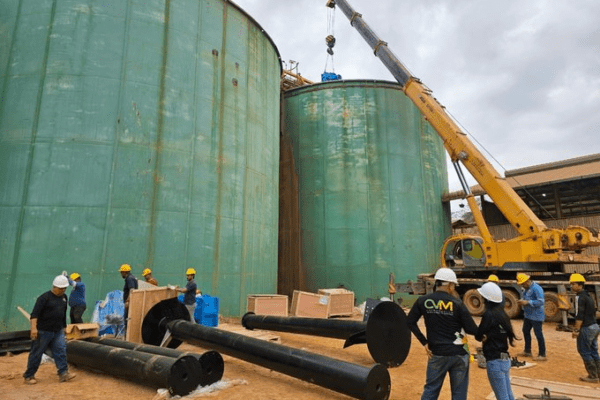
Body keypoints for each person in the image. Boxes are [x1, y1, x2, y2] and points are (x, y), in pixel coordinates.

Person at [407, 267, 478, 400]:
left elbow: (410, 322)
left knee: (431, 391)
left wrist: (424, 342)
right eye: (454, 286)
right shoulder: (457, 303)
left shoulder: (423, 300)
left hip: (437, 353)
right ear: (450, 285)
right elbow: (471, 329)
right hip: (459, 354)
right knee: (459, 394)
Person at [23, 275, 76, 385]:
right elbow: (34, 314)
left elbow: (63, 314)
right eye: (61, 288)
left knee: (61, 351)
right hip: (43, 331)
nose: (63, 290)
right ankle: (29, 376)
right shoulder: (44, 298)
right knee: (36, 353)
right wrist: (33, 329)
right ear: (54, 286)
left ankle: (63, 373)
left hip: (58, 331)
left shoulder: (64, 297)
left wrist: (64, 328)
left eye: (64, 288)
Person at [475, 282, 517, 400]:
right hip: (505, 360)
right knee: (508, 394)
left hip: (494, 361)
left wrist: (484, 337)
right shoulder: (503, 315)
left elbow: (478, 335)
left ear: (487, 299)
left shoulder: (488, 315)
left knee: (502, 397)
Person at [570, 273, 600, 382]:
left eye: (573, 284)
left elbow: (580, 315)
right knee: (593, 351)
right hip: (594, 326)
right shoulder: (588, 295)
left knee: (584, 351)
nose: (571, 286)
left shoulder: (580, 297)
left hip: (586, 328)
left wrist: (576, 330)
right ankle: (598, 374)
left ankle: (593, 376)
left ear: (580, 285)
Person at [516, 273, 546, 361]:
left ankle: (542, 354)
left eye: (522, 284)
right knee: (525, 331)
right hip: (528, 315)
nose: (522, 285)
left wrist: (528, 302)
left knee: (538, 334)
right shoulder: (526, 289)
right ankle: (527, 351)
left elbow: (541, 302)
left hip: (536, 316)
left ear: (527, 281)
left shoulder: (536, 288)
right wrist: (522, 301)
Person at [119, 264, 138, 334]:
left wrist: (128, 301)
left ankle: (127, 336)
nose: (121, 274)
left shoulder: (129, 278)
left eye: (121, 272)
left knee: (127, 320)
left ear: (125, 272)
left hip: (130, 303)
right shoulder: (132, 277)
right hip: (131, 302)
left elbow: (132, 290)